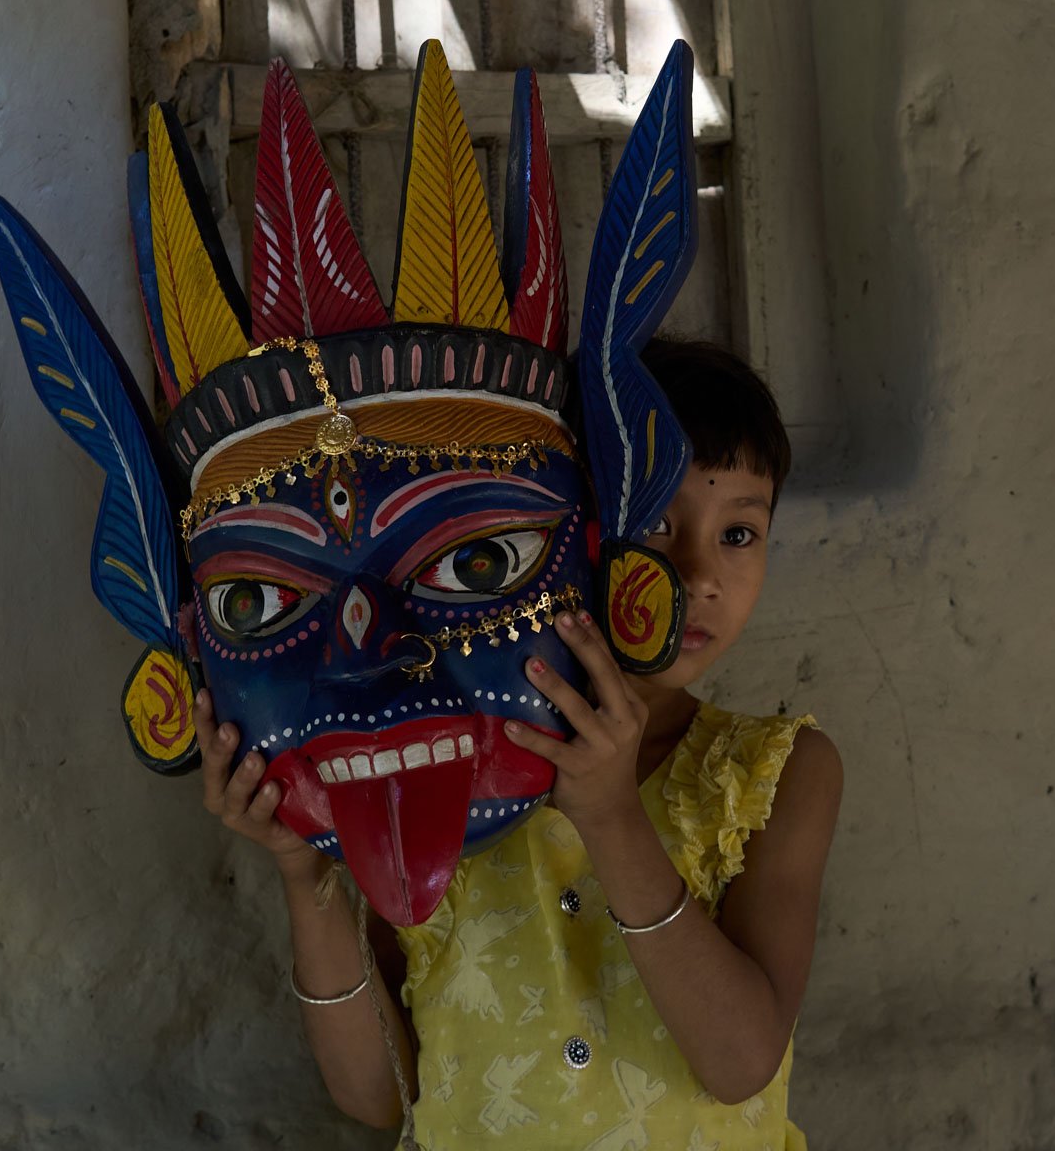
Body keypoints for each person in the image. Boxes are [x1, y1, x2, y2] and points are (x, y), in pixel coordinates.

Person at [197, 337, 844, 1148]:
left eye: (739, 533)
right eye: (653, 525)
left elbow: (741, 1060)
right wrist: (306, 874)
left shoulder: (777, 774)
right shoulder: (433, 763)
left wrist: (610, 817)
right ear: (576, 537)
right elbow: (376, 1094)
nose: (696, 572)